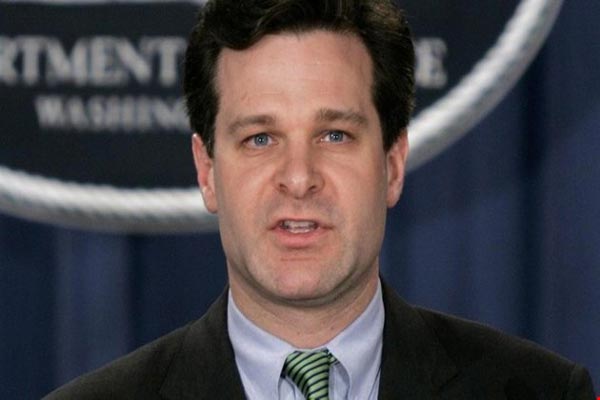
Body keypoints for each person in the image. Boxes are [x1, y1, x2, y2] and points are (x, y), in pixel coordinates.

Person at [44, 0, 596, 399]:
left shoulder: (544, 391)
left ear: (392, 164)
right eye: (260, 138)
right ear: (207, 172)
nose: (299, 177)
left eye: (335, 135)